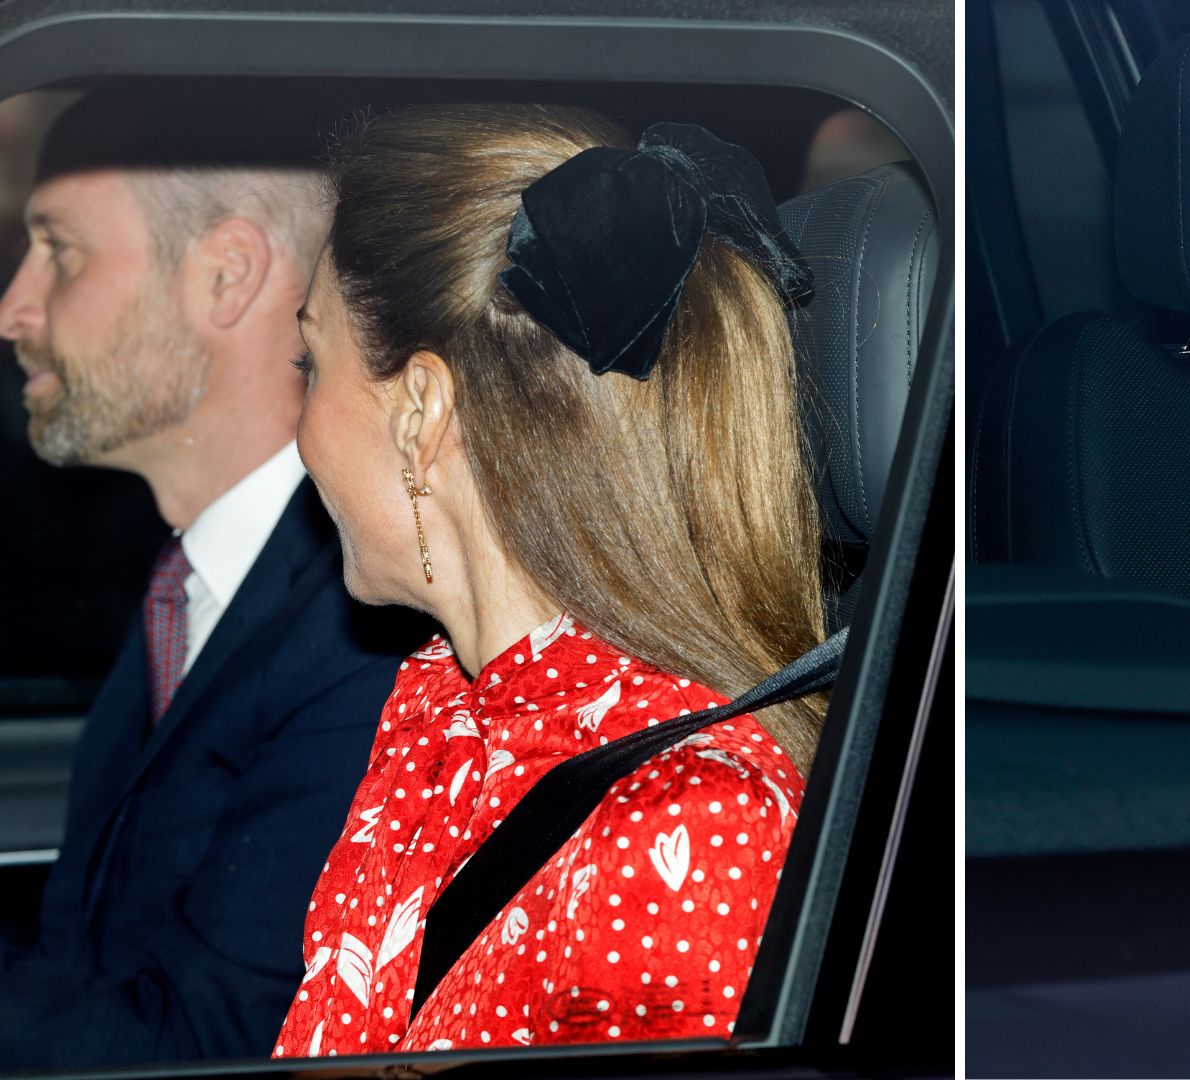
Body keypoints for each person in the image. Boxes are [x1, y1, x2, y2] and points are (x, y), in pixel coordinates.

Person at [272, 105, 825, 1057]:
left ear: (421, 412)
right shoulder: (443, 706)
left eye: (309, 363)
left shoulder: (687, 836)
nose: (300, 431)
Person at [0, 86, 418, 1067]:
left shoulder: (366, 640)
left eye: (59, 251)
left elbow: (208, 1050)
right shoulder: (188, 588)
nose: (14, 307)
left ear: (227, 275)